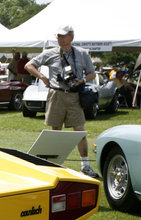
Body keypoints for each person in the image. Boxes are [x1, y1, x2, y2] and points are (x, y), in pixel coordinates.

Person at [24, 25, 98, 178]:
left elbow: (92, 73)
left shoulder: (82, 53)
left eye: (63, 36)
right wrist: (43, 77)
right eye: (58, 36)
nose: (60, 38)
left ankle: (85, 165)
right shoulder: (50, 53)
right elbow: (28, 65)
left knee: (80, 131)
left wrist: (82, 80)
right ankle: (54, 166)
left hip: (74, 96)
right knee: (56, 131)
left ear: (71, 37)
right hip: (56, 94)